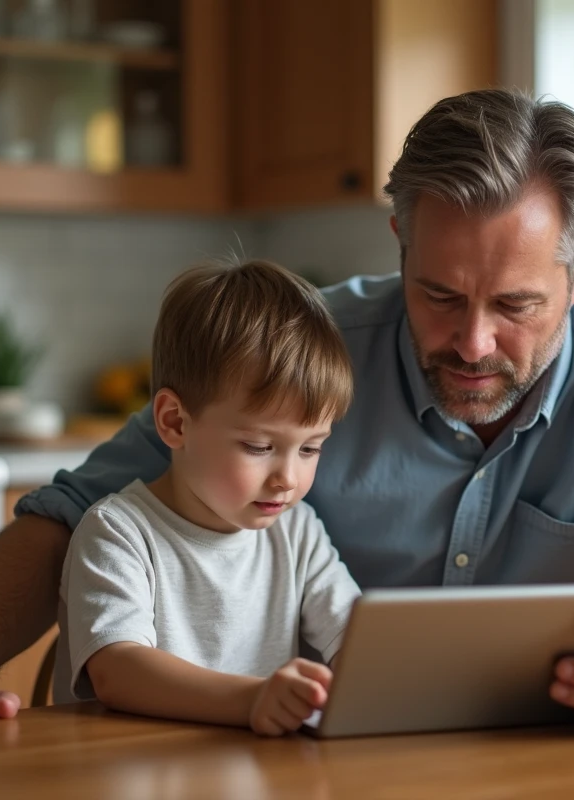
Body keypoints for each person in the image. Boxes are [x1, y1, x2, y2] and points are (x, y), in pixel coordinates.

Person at [0, 89, 574, 736]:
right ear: (400, 243)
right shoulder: (297, 353)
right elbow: (66, 519)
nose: (473, 343)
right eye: (439, 295)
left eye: (516, 305)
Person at [58, 259, 361, 736]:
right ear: (174, 422)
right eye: (259, 447)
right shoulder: (118, 533)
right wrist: (253, 699)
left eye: (310, 448)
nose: (288, 478)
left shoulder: (297, 531)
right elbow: (117, 669)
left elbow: (357, 641)